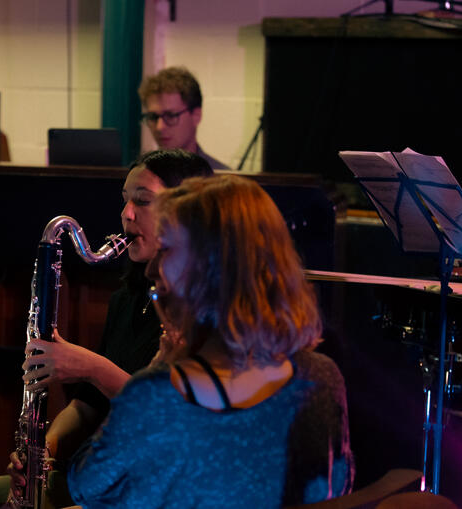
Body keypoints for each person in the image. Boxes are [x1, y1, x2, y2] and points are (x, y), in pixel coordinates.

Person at [0, 149, 214, 509]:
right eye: (125, 200)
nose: (127, 214)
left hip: (155, 483)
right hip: (101, 471)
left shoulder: (207, 308)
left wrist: (92, 367)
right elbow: (88, 406)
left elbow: (172, 414)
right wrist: (42, 452)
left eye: (143, 201)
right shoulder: (129, 298)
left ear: (188, 213)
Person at [67, 174, 355, 508]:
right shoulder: (321, 376)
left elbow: (86, 485)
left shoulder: (158, 393)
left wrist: (160, 367)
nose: (151, 271)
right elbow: (334, 490)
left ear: (209, 267)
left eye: (167, 250)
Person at [139, 66, 227, 169]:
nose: (160, 127)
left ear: (196, 115)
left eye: (171, 115)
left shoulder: (220, 179)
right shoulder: (138, 176)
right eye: (153, 117)